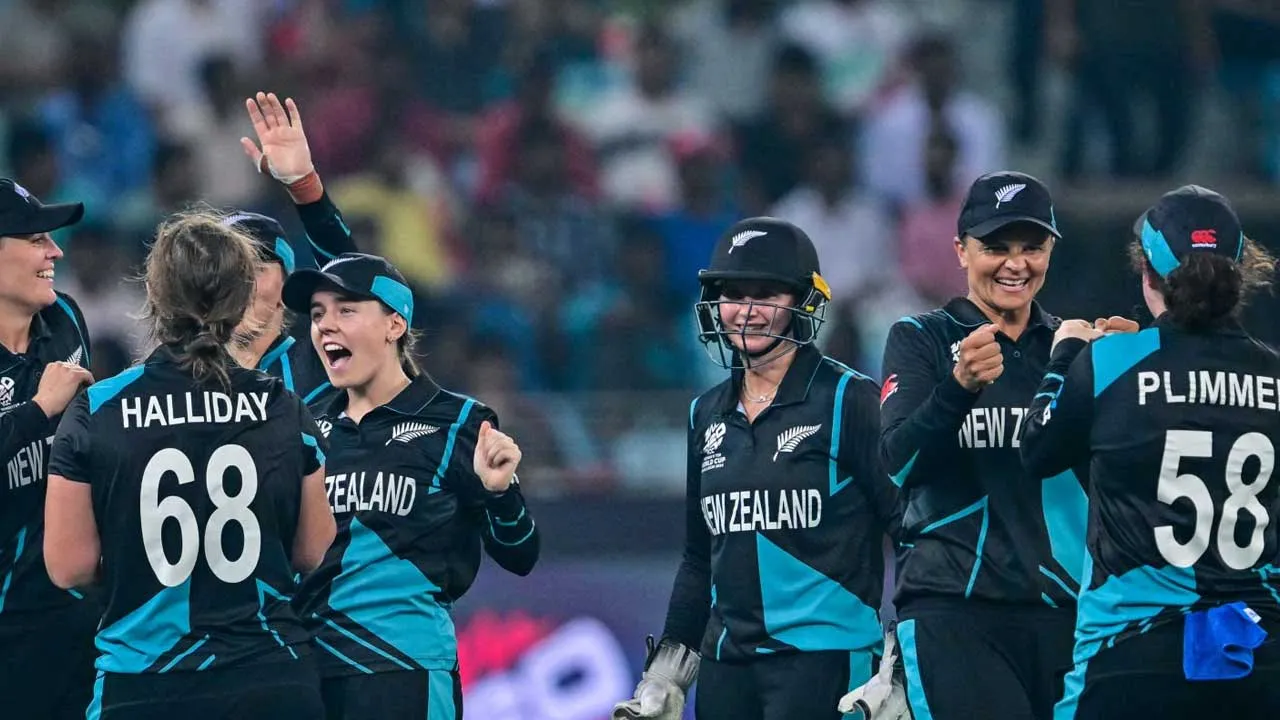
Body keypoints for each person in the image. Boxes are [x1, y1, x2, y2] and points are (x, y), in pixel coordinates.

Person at [43, 210, 336, 719]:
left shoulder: (97, 409)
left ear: (154, 295)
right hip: (270, 679)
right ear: (243, 300)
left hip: (144, 684)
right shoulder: (284, 406)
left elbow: (69, 565)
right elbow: (315, 549)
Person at [614, 217, 897, 720]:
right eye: (733, 293)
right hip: (728, 669)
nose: (746, 311)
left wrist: (902, 662)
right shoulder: (705, 414)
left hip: (827, 663)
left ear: (803, 302)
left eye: (766, 294)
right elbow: (700, 557)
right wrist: (669, 666)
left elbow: (911, 530)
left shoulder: (849, 402)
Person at [1021, 185, 1280, 719]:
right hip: (1258, 653)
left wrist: (1063, 356)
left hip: (1130, 655)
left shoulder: (1111, 362)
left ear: (1147, 273)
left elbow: (1037, 450)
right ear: (1240, 274)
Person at [879, 171, 1125, 719]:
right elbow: (897, 464)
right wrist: (958, 388)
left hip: (1069, 613)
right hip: (953, 612)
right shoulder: (922, 339)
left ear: (1051, 252)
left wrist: (1134, 379)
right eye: (995, 247)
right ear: (960, 251)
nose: (1015, 264)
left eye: (1031, 247)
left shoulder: (1078, 351)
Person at [281, 252, 540, 720]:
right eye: (317, 314)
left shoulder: (459, 421)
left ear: (394, 325)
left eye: (346, 310)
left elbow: (520, 554)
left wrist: (501, 494)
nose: (325, 326)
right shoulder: (304, 420)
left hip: (405, 668)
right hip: (306, 669)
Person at [0, 177, 99, 720]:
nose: (55, 252)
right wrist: (36, 411)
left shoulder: (64, 319)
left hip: (74, 614)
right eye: (37, 238)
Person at [227, 92, 361, 409]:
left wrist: (305, 187)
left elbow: (353, 281)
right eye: (229, 269)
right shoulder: (180, 377)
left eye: (257, 268)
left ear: (287, 287)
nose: (241, 282)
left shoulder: (320, 364)